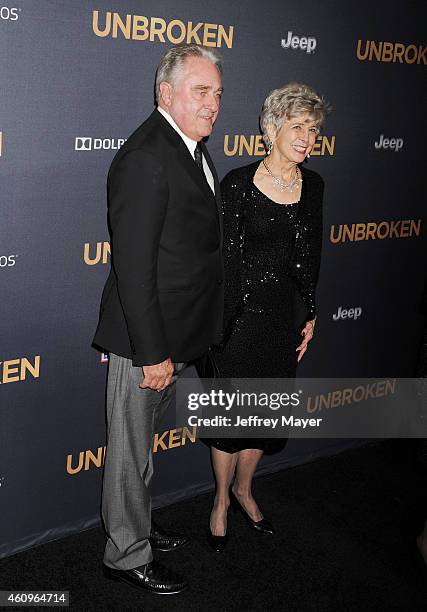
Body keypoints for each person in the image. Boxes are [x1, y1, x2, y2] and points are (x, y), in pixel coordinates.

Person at [93, 43, 224, 594]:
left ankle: (138, 525)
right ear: (165, 93)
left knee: (142, 446)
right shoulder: (149, 155)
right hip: (143, 341)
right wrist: (152, 353)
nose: (213, 103)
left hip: (171, 335)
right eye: (201, 91)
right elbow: (134, 268)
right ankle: (125, 553)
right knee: (127, 453)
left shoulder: (190, 148)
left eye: (218, 92)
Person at [205, 83, 329, 552]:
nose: (306, 137)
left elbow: (310, 254)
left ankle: (244, 490)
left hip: (282, 322)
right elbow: (224, 262)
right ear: (271, 128)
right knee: (228, 418)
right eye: (297, 126)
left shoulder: (314, 185)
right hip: (237, 323)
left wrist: (311, 313)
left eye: (313, 129)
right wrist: (221, 326)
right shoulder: (237, 183)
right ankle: (219, 499)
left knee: (263, 415)